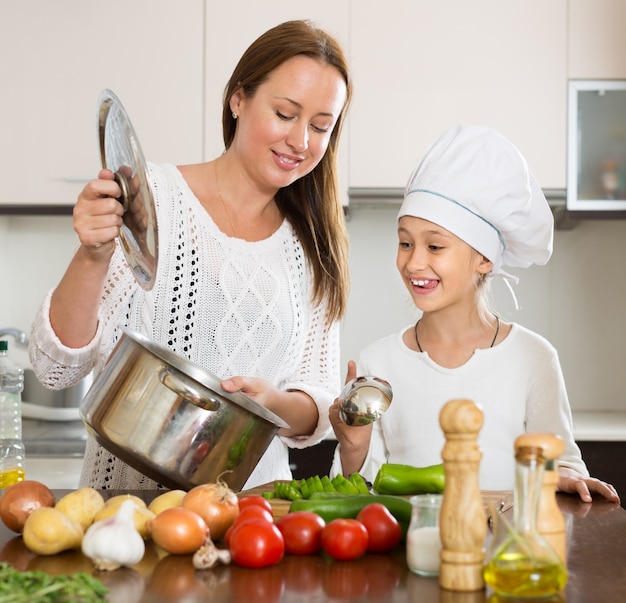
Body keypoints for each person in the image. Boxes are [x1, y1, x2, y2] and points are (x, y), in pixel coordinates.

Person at [29, 20, 352, 491]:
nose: (301, 142)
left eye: (321, 126)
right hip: (125, 514)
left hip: (251, 522)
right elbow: (56, 369)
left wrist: (274, 405)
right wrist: (93, 255)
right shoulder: (148, 199)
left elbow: (319, 410)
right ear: (238, 99)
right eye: (285, 114)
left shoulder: (315, 247)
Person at [330, 125, 620, 504]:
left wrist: (563, 473)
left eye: (435, 245)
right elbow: (358, 493)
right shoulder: (377, 364)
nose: (414, 262)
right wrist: (353, 446)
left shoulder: (533, 358)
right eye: (405, 242)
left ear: (484, 258)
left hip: (507, 551)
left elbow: (563, 466)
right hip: (415, 553)